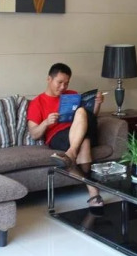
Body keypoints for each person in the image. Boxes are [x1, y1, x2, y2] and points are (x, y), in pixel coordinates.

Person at [27, 63, 105, 209]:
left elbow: (90, 117)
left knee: (81, 112)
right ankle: (92, 189)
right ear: (49, 79)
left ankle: (71, 154)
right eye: (60, 82)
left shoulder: (72, 95)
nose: (63, 87)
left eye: (66, 83)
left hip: (81, 129)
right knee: (85, 142)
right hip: (58, 136)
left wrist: (97, 104)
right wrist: (46, 122)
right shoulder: (37, 102)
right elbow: (34, 134)